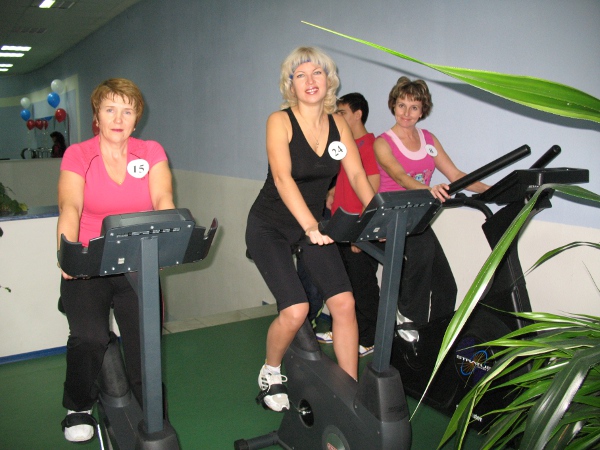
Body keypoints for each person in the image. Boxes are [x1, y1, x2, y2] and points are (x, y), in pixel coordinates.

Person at [245, 47, 375, 412]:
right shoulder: (280, 121)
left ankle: (348, 394)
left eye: (317, 73)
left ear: (329, 80)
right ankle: (271, 371)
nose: (310, 81)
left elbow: (357, 175)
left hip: (313, 225)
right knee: (296, 309)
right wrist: (310, 224)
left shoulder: (339, 125)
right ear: (290, 85)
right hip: (270, 225)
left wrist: (378, 215)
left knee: (344, 304)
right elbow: (282, 178)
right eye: (300, 75)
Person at [56, 78, 175, 443]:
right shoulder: (78, 155)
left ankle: (153, 412)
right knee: (90, 338)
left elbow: (164, 200)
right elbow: (70, 205)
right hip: (89, 262)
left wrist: (166, 241)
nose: (118, 118)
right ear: (97, 115)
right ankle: (78, 405)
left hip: (138, 261)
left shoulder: (150, 152)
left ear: (137, 117)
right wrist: (67, 253)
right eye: (110, 109)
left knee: (145, 346)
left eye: (127, 110)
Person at [374, 76, 489, 328]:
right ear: (393, 105)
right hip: (394, 217)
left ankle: (436, 336)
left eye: (414, 107)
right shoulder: (383, 143)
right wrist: (430, 190)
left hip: (419, 218)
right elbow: (400, 177)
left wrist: (494, 190)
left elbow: (456, 175)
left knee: (446, 286)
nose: (406, 113)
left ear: (422, 110)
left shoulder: (428, 139)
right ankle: (408, 324)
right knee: (421, 261)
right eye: (401, 105)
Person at [316, 93, 381, 357]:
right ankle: (343, 329)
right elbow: (345, 178)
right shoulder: (346, 145)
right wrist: (332, 193)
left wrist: (361, 232)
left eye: (342, 112)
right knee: (343, 285)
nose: (337, 117)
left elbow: (372, 188)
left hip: (358, 227)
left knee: (363, 286)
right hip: (339, 225)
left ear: (358, 114)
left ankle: (369, 337)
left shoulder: (369, 145)